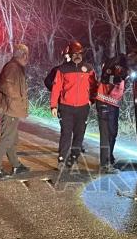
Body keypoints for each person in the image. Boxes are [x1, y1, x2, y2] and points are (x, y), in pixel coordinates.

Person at [50, 41, 97, 169]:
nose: (77, 55)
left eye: (79, 53)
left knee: (79, 134)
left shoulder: (88, 69)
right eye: (74, 53)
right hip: (66, 107)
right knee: (66, 133)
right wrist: (53, 105)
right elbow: (56, 88)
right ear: (70, 54)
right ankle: (61, 159)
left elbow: (94, 86)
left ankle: (74, 158)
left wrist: (91, 100)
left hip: (83, 108)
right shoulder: (62, 69)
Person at [0, 44, 31, 178]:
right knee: (7, 138)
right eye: (27, 55)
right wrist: (17, 98)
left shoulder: (15, 66)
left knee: (12, 138)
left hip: (12, 108)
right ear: (23, 55)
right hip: (9, 109)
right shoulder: (13, 67)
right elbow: (6, 85)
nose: (27, 58)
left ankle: (16, 166)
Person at [95, 54, 128, 174]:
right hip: (105, 103)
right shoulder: (114, 70)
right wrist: (116, 78)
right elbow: (108, 80)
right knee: (106, 134)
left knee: (112, 133)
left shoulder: (118, 69)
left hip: (112, 105)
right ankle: (105, 163)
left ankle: (109, 158)